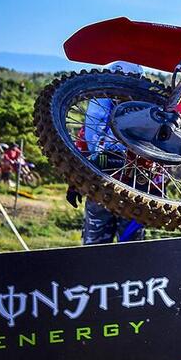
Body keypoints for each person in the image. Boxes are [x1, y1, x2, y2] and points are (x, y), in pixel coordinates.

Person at [67, 61, 146, 245]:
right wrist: (74, 185)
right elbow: (82, 149)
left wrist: (74, 183)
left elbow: (81, 149)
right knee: (101, 249)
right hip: (106, 191)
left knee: (129, 249)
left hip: (126, 193)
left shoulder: (98, 115)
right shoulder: (97, 116)